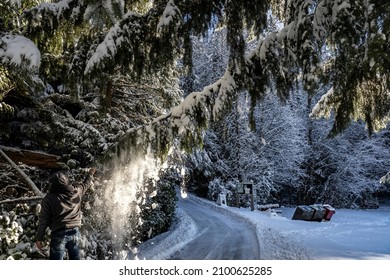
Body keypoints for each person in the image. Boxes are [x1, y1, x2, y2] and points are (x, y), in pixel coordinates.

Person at [35, 167, 96, 260]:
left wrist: (39, 238)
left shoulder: (48, 198)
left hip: (59, 234)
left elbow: (44, 220)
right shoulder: (77, 191)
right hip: (75, 232)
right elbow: (86, 184)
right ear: (67, 181)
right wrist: (90, 174)